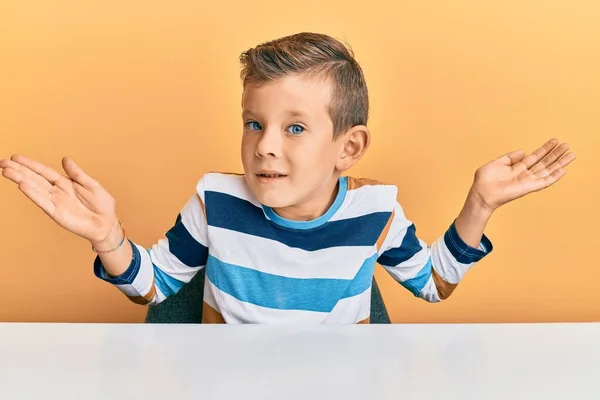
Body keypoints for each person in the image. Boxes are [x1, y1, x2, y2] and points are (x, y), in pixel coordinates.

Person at [0, 32, 575, 323]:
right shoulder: (216, 202)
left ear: (348, 147)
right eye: (254, 123)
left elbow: (434, 283)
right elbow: (155, 286)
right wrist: (108, 238)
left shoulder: (375, 213)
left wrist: (479, 205)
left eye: (295, 128)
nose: (264, 146)